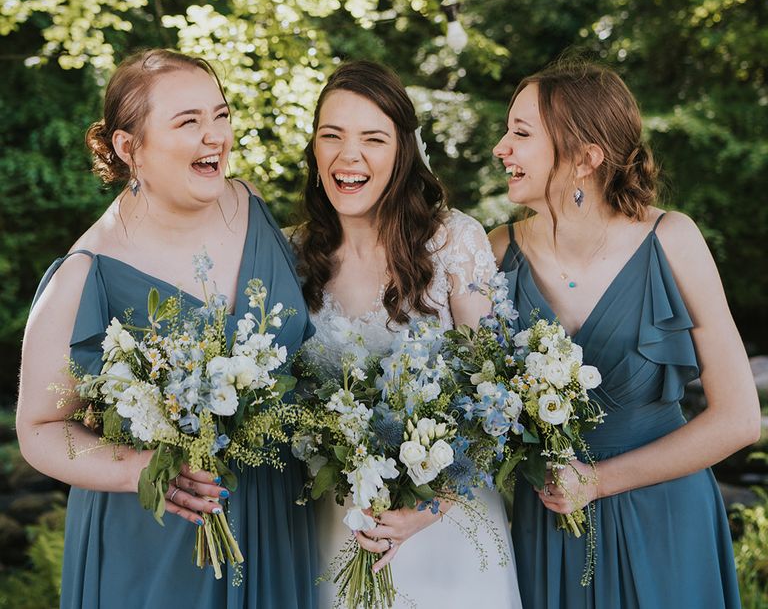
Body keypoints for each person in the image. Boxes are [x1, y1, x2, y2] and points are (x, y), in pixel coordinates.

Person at [16, 49, 317, 608]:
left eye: (220, 115)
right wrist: (146, 469)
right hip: (158, 540)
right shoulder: (87, 274)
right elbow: (37, 429)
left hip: (276, 516)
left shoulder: (249, 204)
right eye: (188, 122)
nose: (215, 137)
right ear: (129, 147)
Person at [488, 58, 760, 608]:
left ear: (587, 158)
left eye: (521, 133)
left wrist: (598, 481)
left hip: (662, 517)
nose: (501, 147)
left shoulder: (673, 240)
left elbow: (739, 419)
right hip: (548, 521)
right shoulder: (494, 252)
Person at [291, 60, 523, 609]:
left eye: (373, 138)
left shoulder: (455, 242)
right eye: (332, 137)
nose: (349, 156)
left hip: (448, 532)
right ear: (315, 150)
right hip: (331, 532)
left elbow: (495, 393)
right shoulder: (291, 255)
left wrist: (426, 509)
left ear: (403, 151)